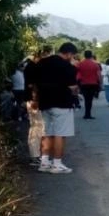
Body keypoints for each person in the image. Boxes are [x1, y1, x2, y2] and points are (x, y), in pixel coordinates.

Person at [35, 42, 79, 174]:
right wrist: (76, 91)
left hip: (44, 103)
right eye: (72, 55)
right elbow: (72, 88)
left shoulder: (41, 63)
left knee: (47, 132)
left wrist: (36, 99)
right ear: (69, 53)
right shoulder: (67, 66)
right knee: (60, 134)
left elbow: (35, 84)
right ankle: (57, 164)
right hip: (62, 104)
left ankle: (44, 162)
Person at [76, 50, 102, 119]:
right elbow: (99, 75)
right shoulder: (95, 64)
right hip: (93, 84)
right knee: (90, 99)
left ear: (84, 55)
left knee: (86, 98)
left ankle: (86, 114)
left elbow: (77, 75)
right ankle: (88, 114)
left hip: (83, 84)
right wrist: (100, 84)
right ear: (91, 55)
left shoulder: (80, 64)